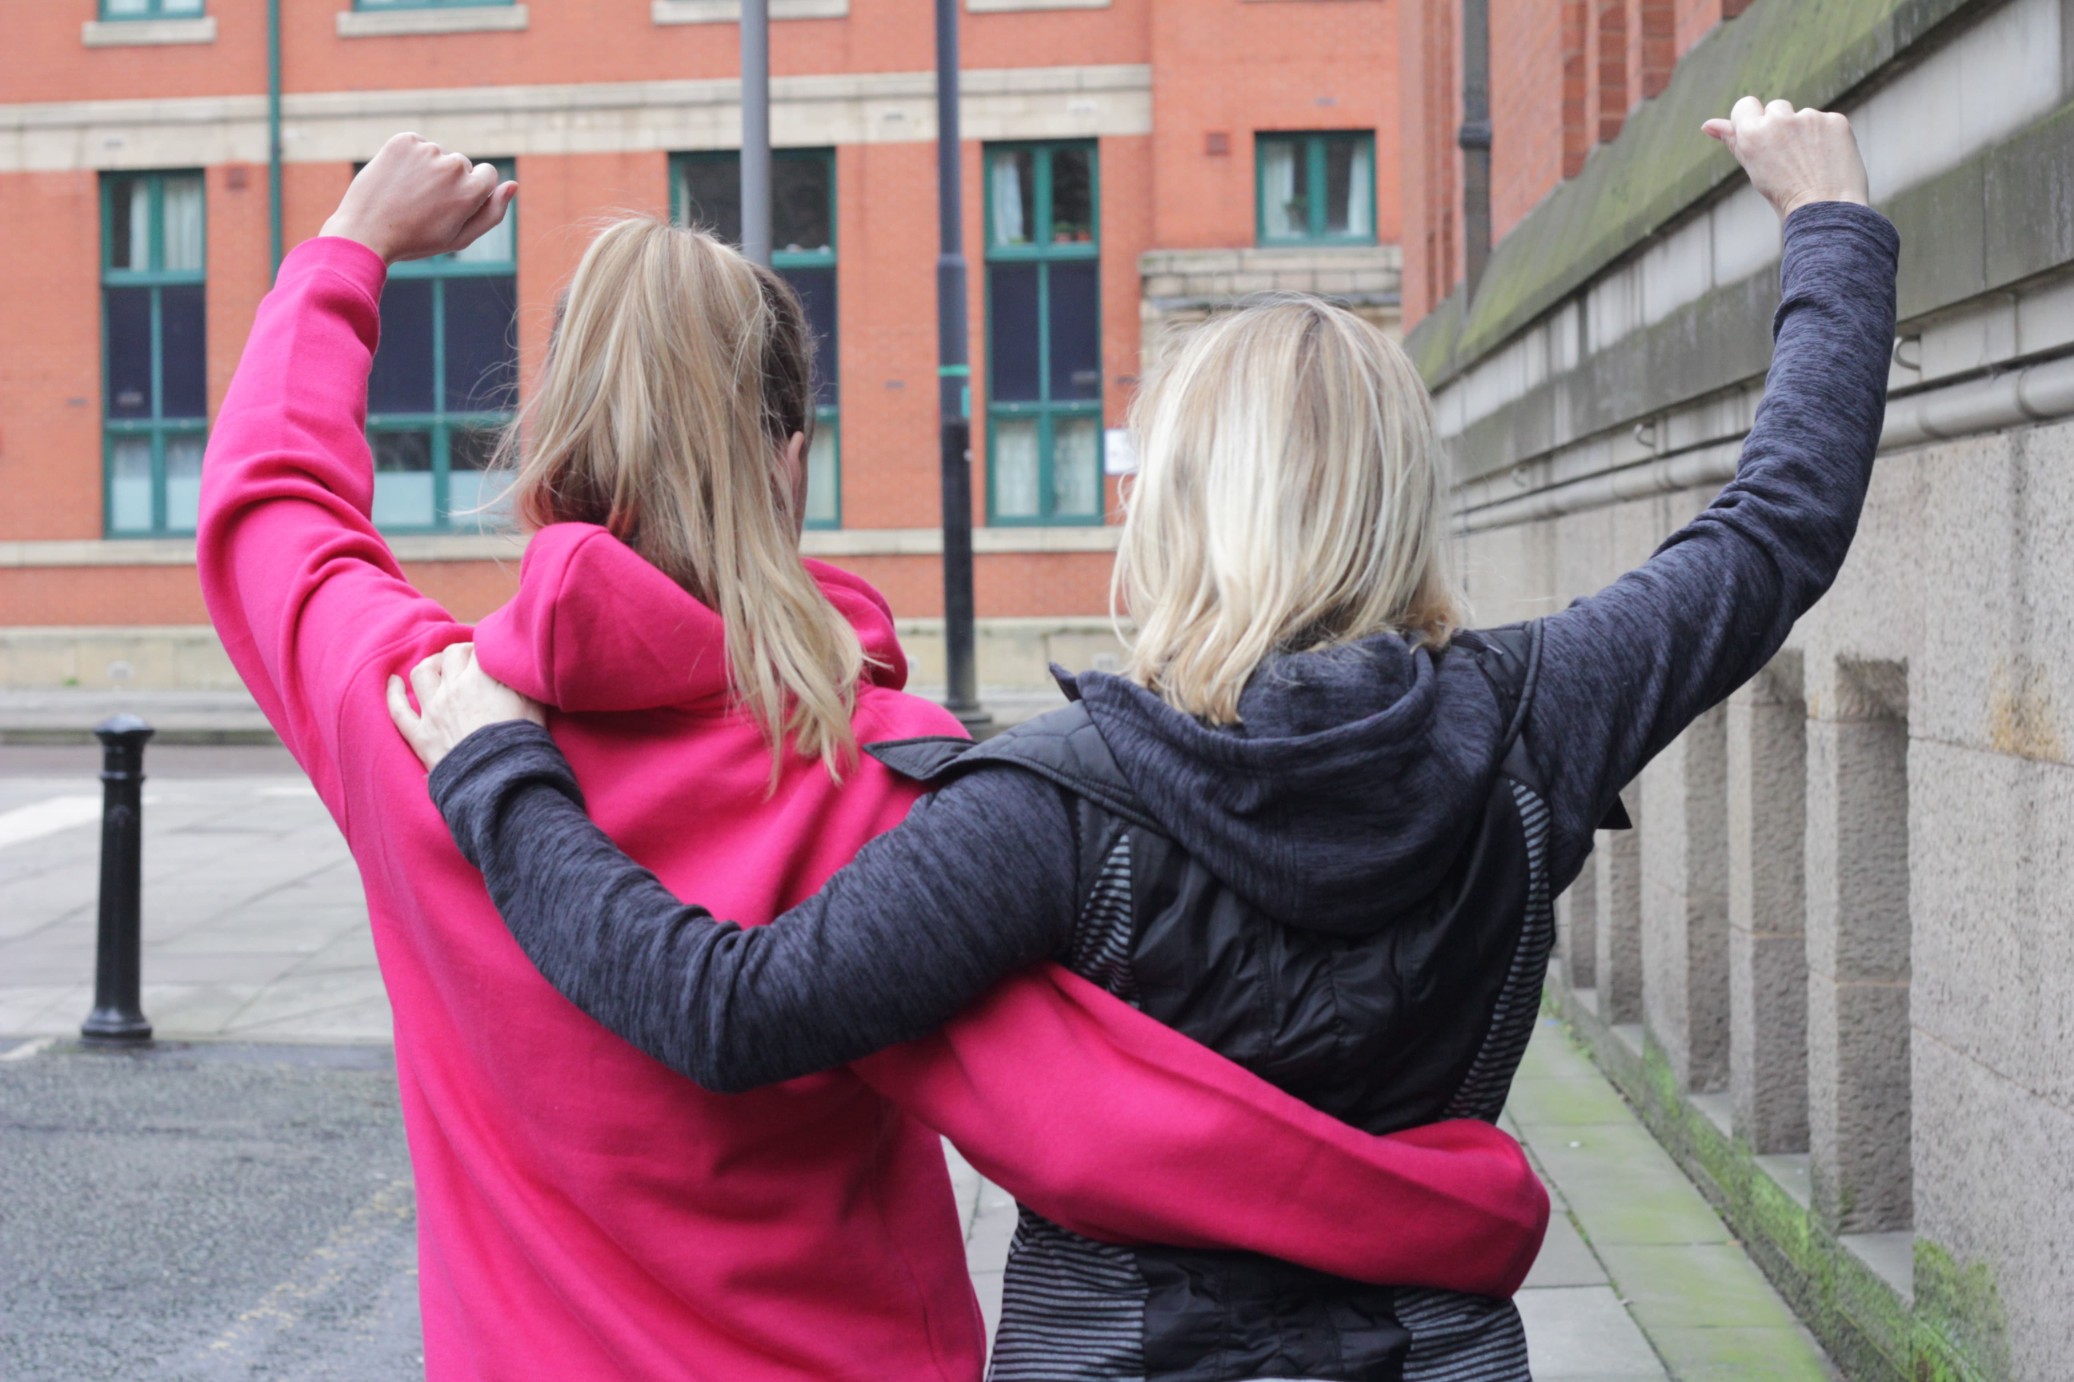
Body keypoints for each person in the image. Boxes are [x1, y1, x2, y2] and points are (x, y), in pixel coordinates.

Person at [394, 97, 1896, 1380]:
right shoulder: (1542, 713)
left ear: (1166, 504)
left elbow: (727, 1009)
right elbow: (1777, 527)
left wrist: (496, 775)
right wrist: (1826, 219)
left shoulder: (1045, 805)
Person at [199, 133, 1550, 1381]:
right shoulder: (888, 773)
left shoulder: (419, 714)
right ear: (788, 461)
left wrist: (346, 247)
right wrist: (1443, 1206)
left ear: (555, 446)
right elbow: (1098, 1115)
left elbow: (269, 506)